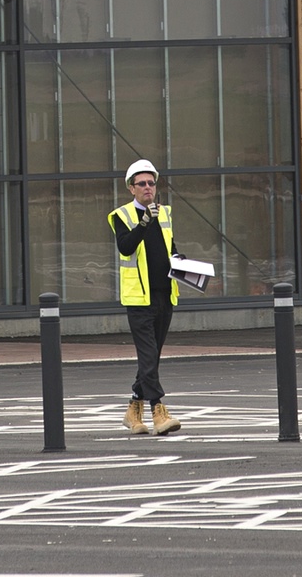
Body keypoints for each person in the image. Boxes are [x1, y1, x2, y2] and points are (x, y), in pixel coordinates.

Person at [110, 158, 182, 435]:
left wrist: (181, 261)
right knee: (149, 355)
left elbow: (170, 247)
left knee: (152, 357)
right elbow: (126, 248)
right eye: (142, 184)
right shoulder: (122, 216)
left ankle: (133, 409)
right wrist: (143, 221)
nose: (148, 188)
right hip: (139, 298)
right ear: (131, 188)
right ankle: (158, 410)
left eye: (152, 183)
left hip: (165, 293)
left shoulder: (164, 214)